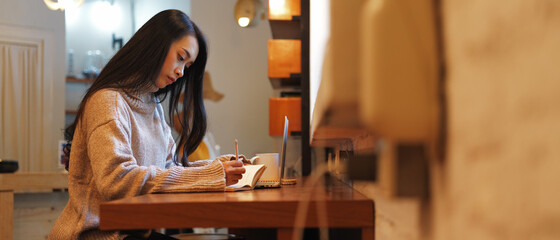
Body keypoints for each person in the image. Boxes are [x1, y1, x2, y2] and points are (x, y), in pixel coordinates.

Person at [48, 9, 247, 240]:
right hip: (95, 234)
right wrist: (212, 175)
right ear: (156, 45)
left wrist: (220, 168)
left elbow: (171, 169)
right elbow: (116, 181)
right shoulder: (108, 100)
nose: (181, 71)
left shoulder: (152, 106)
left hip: (131, 233)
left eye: (187, 66)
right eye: (181, 57)